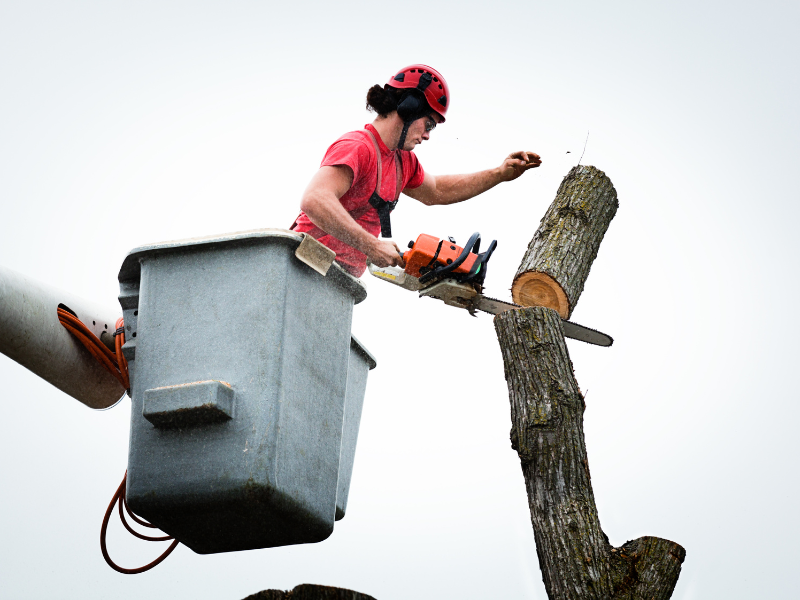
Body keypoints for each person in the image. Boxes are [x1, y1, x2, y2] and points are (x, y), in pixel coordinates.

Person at [292, 64, 541, 277]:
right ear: (408, 107)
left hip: (340, 280)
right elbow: (315, 199)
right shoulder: (358, 147)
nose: (427, 135)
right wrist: (373, 246)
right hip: (299, 265)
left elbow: (437, 191)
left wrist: (499, 173)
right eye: (428, 124)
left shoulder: (403, 161)